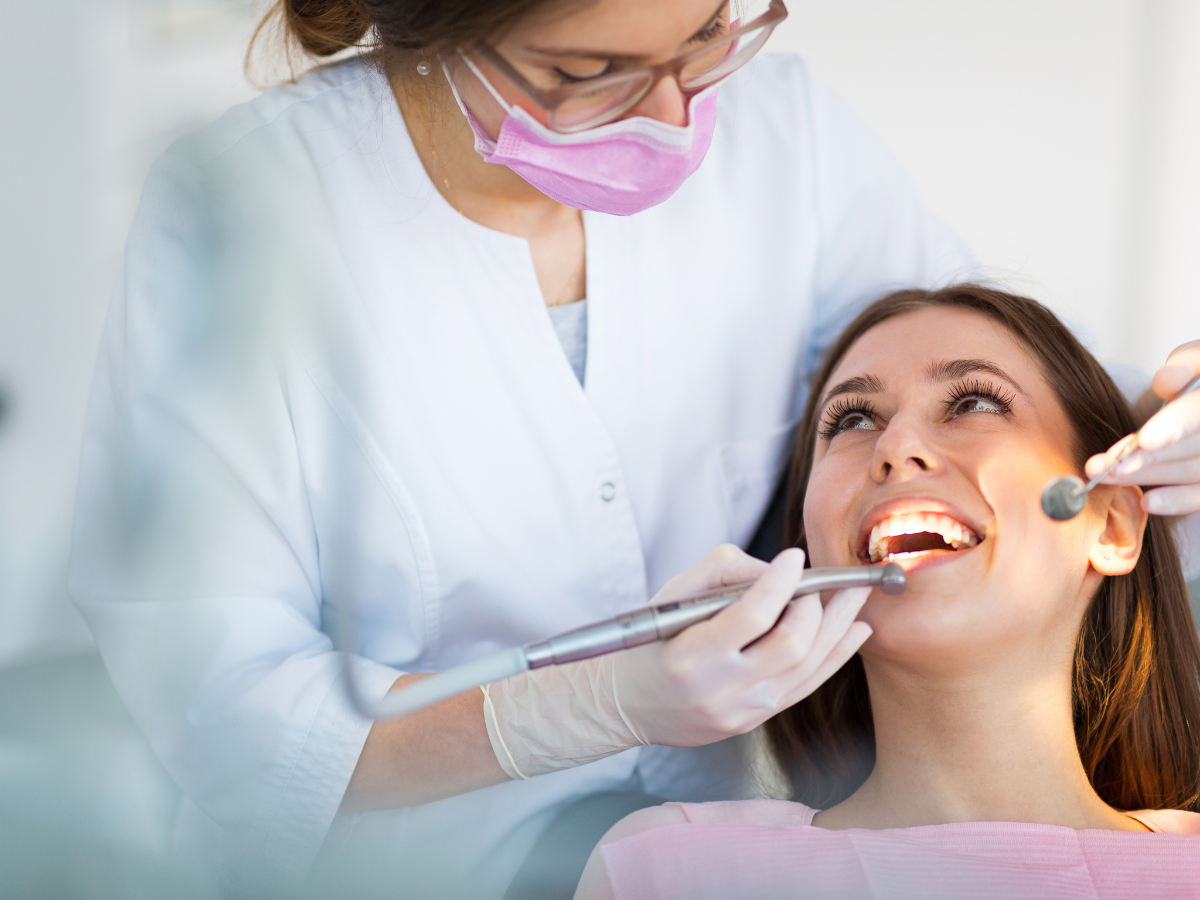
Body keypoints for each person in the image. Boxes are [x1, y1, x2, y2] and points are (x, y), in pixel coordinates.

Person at [66, 0, 1200, 897]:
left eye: (705, 36)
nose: (670, 114)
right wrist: (582, 706)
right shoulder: (256, 215)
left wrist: (1162, 421)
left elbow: (1017, 376)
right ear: (440, 31)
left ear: (1109, 523)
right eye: (585, 70)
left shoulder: (784, 139)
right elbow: (224, 711)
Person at [575, 285, 1200, 900]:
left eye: (974, 403)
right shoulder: (666, 871)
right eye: (851, 420)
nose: (895, 447)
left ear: (1112, 525)